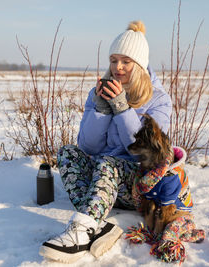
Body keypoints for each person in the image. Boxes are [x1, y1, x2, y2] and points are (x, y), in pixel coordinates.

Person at [39, 20, 172, 263]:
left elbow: (147, 155)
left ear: (140, 65)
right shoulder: (98, 92)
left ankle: (82, 230)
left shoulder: (159, 100)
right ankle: (97, 226)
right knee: (68, 153)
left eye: (126, 61)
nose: (117, 67)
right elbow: (88, 148)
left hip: (137, 188)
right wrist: (101, 109)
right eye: (113, 60)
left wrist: (122, 108)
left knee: (109, 163)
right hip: (102, 187)